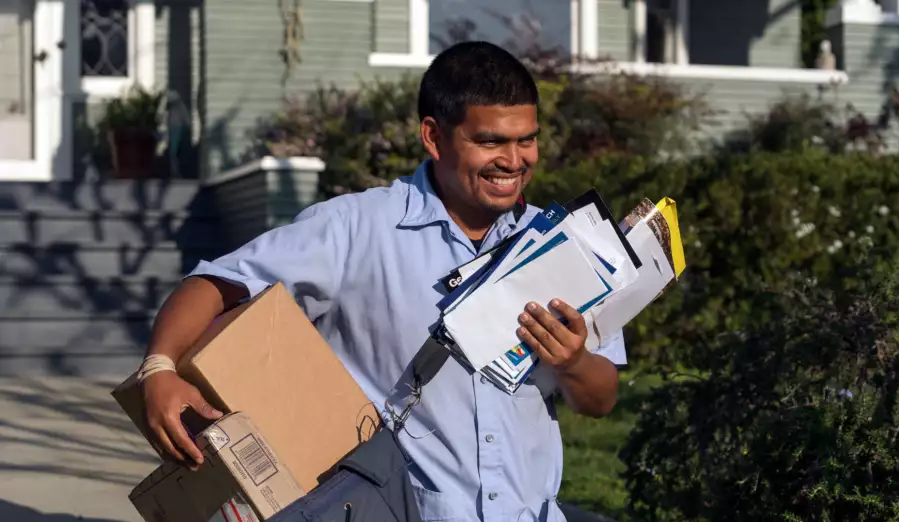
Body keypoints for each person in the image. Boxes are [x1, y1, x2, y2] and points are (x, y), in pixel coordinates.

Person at [141, 40, 623, 522]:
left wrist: (573, 361)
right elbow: (214, 282)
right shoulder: (357, 228)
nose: (514, 161)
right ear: (434, 137)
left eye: (527, 139)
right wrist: (159, 370)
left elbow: (600, 398)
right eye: (491, 141)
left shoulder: (565, 244)